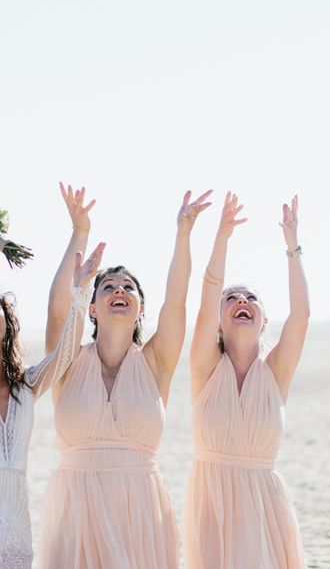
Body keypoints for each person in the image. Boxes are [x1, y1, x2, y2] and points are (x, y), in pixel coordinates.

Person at [0, 183, 104, 568]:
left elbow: (64, 356)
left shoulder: (25, 385)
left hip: (18, 530)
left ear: (6, 320)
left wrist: (80, 292)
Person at [41, 190, 212, 569]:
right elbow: (56, 314)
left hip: (140, 510)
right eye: (108, 287)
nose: (119, 290)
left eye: (128, 288)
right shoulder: (67, 362)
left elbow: (177, 302)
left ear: (140, 307)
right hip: (77, 507)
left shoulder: (156, 362)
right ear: (91, 307)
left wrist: (183, 235)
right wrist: (79, 232)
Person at [183, 193, 309, 568]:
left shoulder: (276, 372)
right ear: (219, 321)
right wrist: (221, 238)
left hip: (265, 505)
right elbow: (204, 303)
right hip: (212, 504)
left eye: (251, 297)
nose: (242, 300)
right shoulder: (205, 367)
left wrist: (292, 247)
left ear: (263, 319)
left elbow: (301, 316)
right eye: (231, 298)